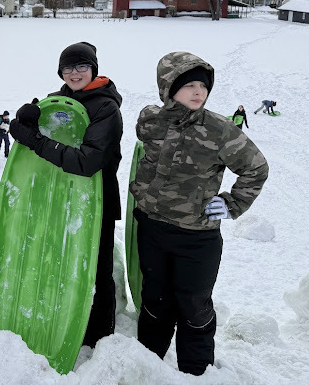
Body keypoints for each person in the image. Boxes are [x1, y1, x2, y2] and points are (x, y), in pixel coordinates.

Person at [129, 52, 269, 376]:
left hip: (197, 237)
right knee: (155, 300)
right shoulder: (151, 121)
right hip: (151, 228)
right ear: (167, 88)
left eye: (202, 86)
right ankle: (147, 364)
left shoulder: (220, 130)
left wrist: (233, 204)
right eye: (188, 85)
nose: (198, 92)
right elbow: (143, 151)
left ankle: (196, 373)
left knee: (194, 305)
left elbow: (256, 168)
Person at [9, 41, 123, 348]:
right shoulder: (58, 100)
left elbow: (86, 161)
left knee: (96, 269)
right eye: (68, 67)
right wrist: (27, 120)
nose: (74, 73)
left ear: (93, 70)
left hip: (95, 200)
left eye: (81, 66)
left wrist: (34, 140)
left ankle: (99, 335)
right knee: (61, 261)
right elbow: (39, 134)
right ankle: (62, 319)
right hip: (59, 197)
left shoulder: (106, 108)